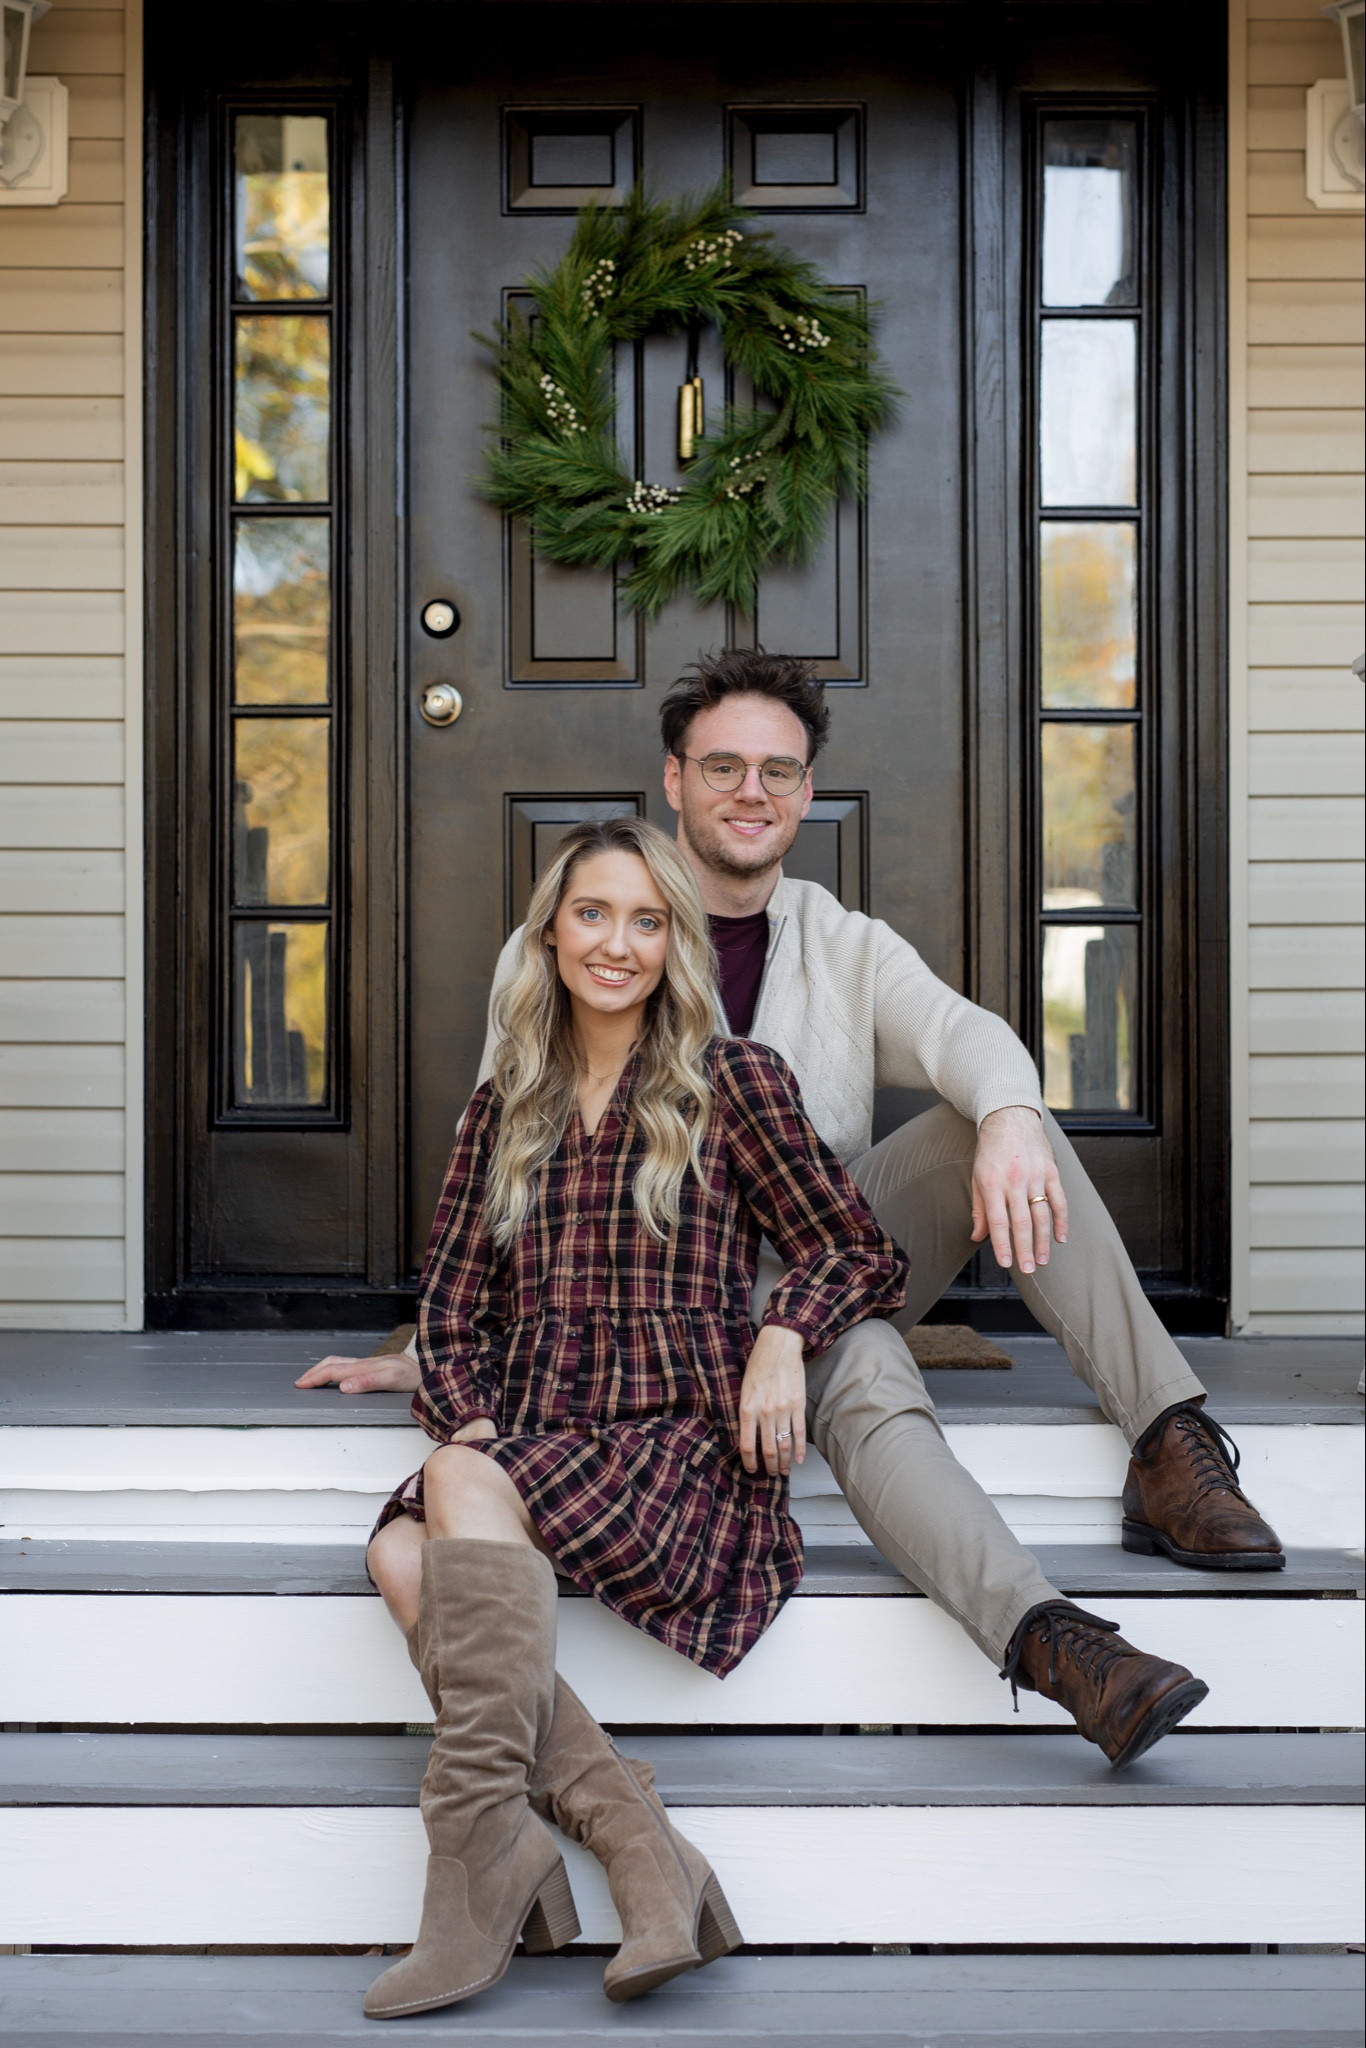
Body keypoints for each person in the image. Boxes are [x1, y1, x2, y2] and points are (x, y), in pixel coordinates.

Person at [303, 648, 1279, 1768]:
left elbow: (963, 1035)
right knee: (862, 1363)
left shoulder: (844, 944)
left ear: (808, 792)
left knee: (1001, 1124)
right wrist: (442, 1343)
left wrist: (1009, 1112)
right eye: (721, 766)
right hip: (663, 1312)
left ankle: (1166, 1438)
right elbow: (513, 1167)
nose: (750, 792)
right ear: (673, 780)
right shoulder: (586, 942)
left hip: (817, 1260)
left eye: (777, 770)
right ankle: (1055, 1642)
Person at [358, 816, 911, 2019]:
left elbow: (857, 1248)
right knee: (405, 1536)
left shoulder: (733, 1080)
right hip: (545, 1432)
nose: (618, 944)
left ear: (675, 943)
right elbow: (448, 1313)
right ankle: (631, 1842)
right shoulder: (505, 1101)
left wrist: (781, 1335)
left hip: (679, 1447)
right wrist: (467, 1422)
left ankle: (488, 1868)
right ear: (550, 931)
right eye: (594, 914)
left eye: (648, 920)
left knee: (424, 1524)